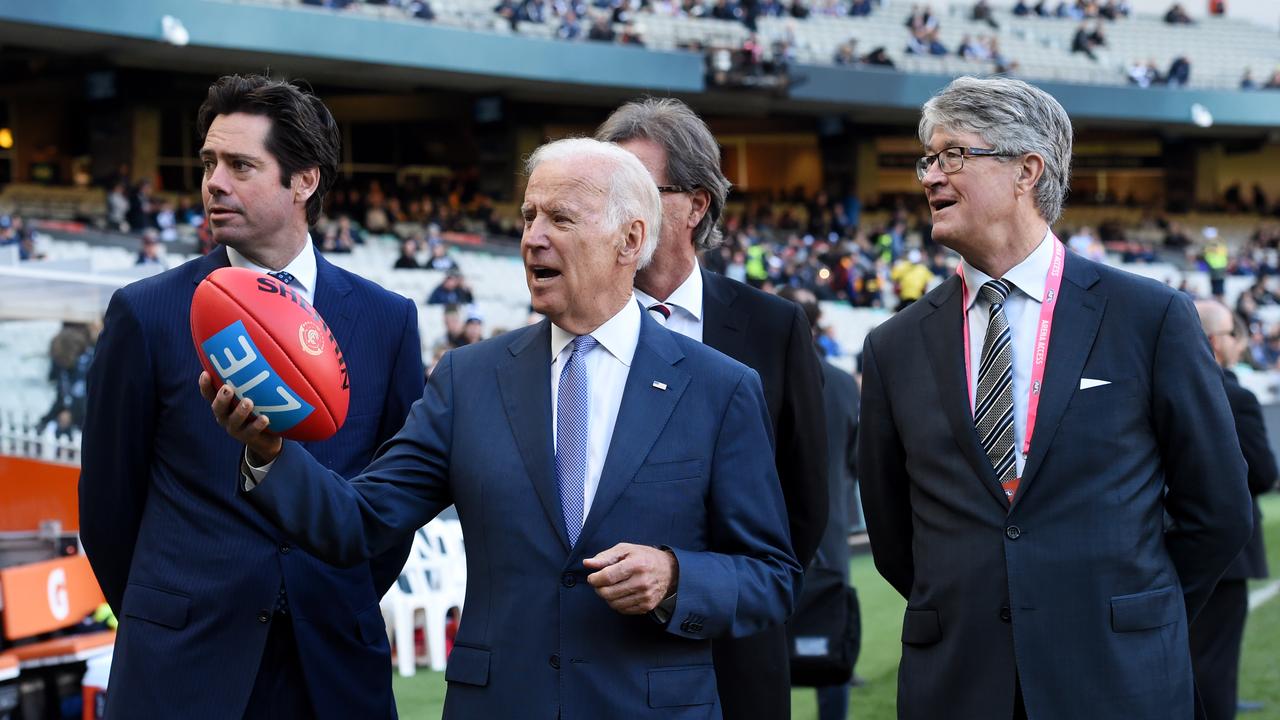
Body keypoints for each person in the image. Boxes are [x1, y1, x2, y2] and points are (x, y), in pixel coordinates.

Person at [203, 137, 801, 718]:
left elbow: (771, 576)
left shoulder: (719, 387)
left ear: (630, 240)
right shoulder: (469, 378)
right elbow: (360, 520)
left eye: (560, 218)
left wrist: (676, 577)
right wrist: (268, 453)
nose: (532, 238)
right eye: (528, 216)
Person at [858, 76, 1252, 720]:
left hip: (1118, 678)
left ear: (1026, 171)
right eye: (927, 158)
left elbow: (1220, 507)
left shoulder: (1149, 316)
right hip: (958, 683)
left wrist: (1128, 609)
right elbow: (893, 534)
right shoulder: (893, 345)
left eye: (954, 153)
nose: (930, 175)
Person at [79, 74, 425, 719]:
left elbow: (393, 505)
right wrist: (169, 618)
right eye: (210, 162)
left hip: (332, 666)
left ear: (305, 181)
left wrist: (334, 592)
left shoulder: (387, 320)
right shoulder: (147, 313)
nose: (214, 181)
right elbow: (106, 507)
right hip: (183, 670)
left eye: (241, 165)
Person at [596, 97, 827, 720]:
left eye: (636, 189)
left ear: (695, 206)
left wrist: (720, 594)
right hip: (601, 650)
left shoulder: (773, 326)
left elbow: (804, 502)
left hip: (735, 653)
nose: (614, 211)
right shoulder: (573, 328)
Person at [1191, 302, 1278, 720]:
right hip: (1227, 553)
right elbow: (1263, 473)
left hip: (1166, 543)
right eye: (1233, 335)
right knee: (1215, 665)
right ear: (1214, 342)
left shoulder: (1157, 387)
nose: (1241, 345)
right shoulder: (1235, 396)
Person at [778, 286, 860, 720]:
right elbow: (856, 458)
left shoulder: (755, 373)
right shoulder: (845, 384)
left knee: (768, 636)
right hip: (830, 531)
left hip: (772, 530)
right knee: (830, 628)